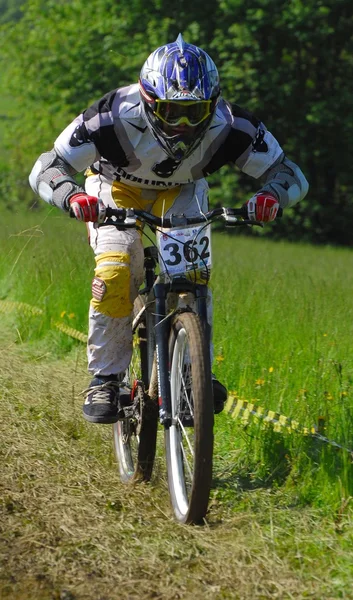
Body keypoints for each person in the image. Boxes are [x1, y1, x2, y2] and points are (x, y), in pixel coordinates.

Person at [29, 33, 308, 425]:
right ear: (147, 100)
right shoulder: (108, 117)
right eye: (171, 111)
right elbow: (47, 167)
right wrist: (72, 197)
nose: (181, 126)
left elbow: (289, 173)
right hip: (113, 188)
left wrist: (272, 197)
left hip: (182, 191)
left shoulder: (234, 125)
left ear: (212, 106)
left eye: (194, 114)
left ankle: (195, 373)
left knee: (193, 275)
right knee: (116, 268)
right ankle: (105, 378)